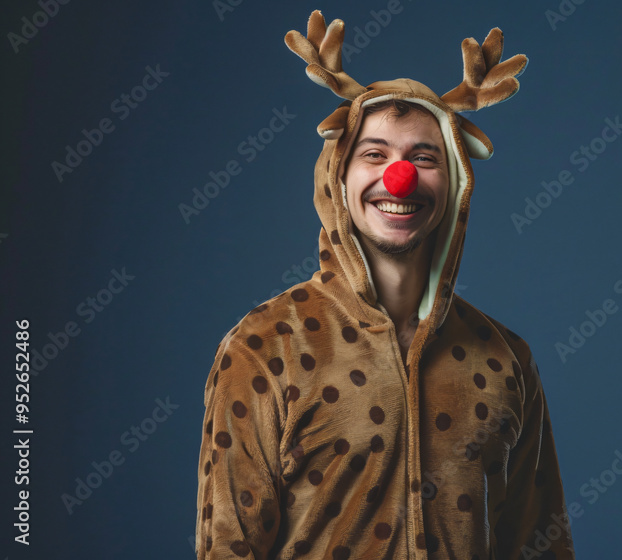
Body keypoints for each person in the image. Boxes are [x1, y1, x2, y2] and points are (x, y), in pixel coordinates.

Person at [194, 11, 575, 560]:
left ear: (456, 184)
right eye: (374, 154)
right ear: (339, 177)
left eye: (425, 157)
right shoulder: (262, 347)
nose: (400, 175)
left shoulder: (507, 359)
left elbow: (544, 546)